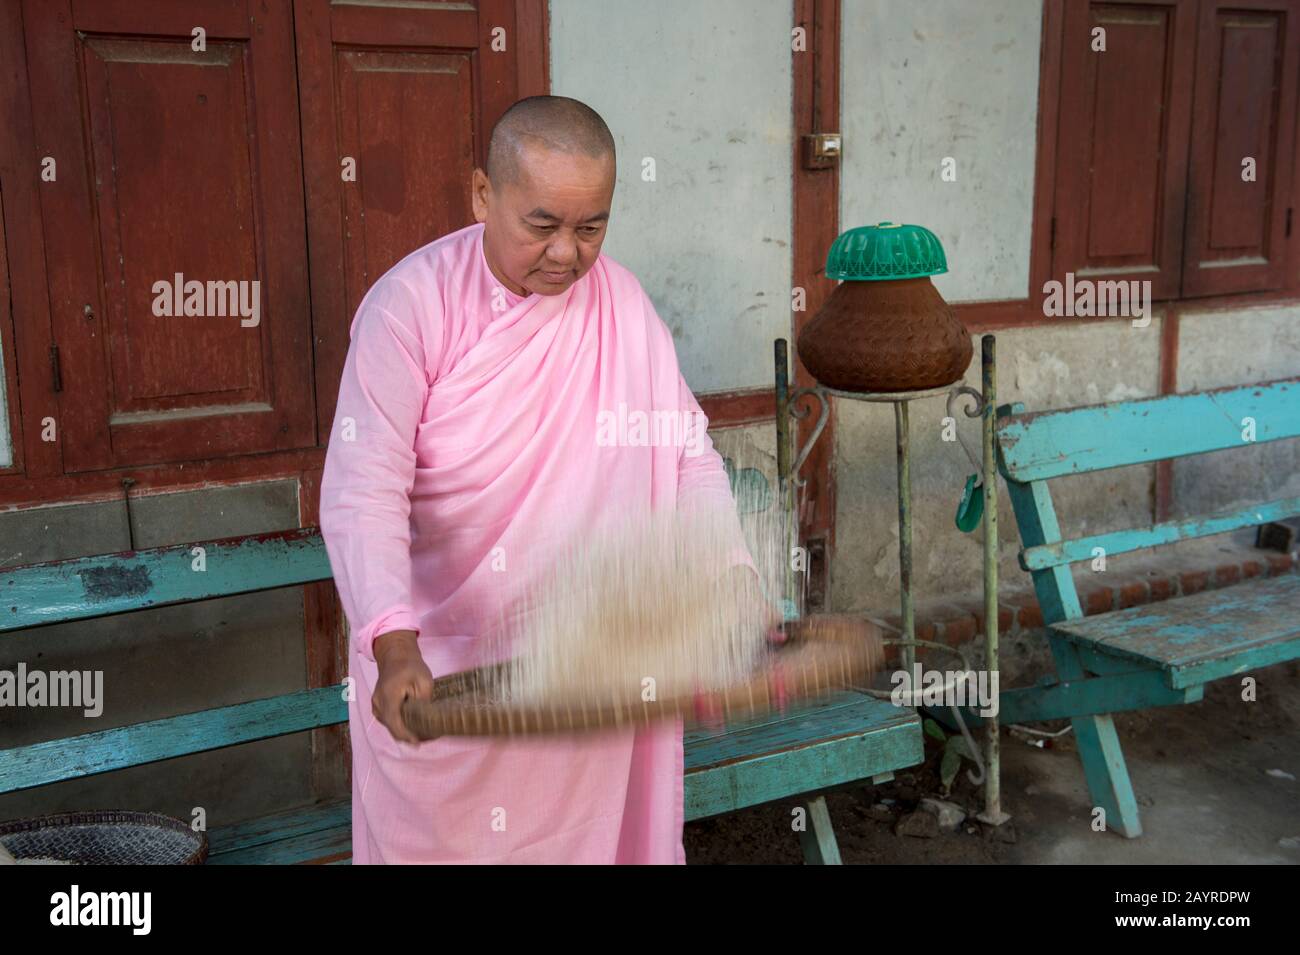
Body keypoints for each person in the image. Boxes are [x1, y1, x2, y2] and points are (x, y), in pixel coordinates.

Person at [320, 95, 770, 864]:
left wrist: (731, 576)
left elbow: (685, 452)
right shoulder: (408, 309)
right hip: (451, 692)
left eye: (590, 227)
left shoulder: (622, 304)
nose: (567, 254)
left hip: (588, 684)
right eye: (543, 225)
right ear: (482, 195)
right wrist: (392, 643)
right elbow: (365, 488)